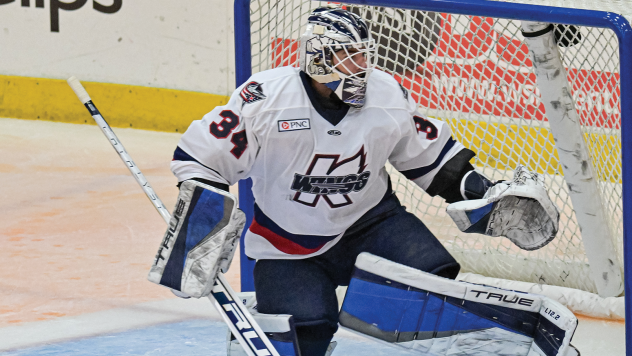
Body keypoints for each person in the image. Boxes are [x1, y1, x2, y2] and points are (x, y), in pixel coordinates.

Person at [169, 7, 558, 356]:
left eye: (362, 54)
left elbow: (431, 159)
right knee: (304, 335)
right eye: (348, 55)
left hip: (371, 224)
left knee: (432, 281)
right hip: (286, 243)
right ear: (318, 57)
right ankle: (267, 325)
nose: (360, 65)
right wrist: (202, 225)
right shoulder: (266, 99)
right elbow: (200, 159)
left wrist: (485, 191)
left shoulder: (385, 93)